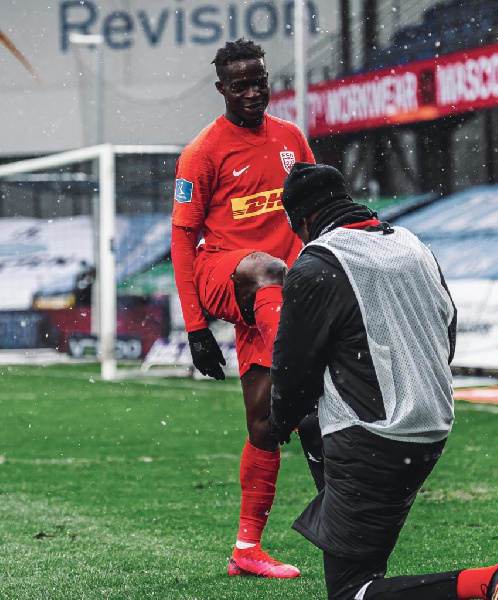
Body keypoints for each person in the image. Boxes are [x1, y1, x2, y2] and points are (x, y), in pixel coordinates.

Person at [269, 162, 498, 600]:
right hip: (430, 427)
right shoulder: (413, 244)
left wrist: (276, 422)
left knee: (351, 592)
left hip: (374, 436)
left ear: (301, 221)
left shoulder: (316, 263)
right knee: (362, 559)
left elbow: (293, 371)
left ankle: (487, 580)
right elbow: (446, 330)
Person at [171, 38, 314, 579]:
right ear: (221, 89)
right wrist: (196, 328)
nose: (254, 92)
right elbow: (183, 242)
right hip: (225, 274)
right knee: (264, 268)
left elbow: (313, 208)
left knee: (269, 424)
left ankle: (247, 549)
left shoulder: (291, 139)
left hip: (277, 295)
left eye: (260, 81)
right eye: (241, 85)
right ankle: (304, 369)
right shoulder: (203, 151)